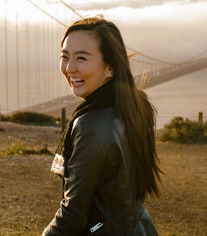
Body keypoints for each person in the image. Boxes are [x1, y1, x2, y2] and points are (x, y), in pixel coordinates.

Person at [42, 15, 161, 236]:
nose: (69, 68)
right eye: (64, 56)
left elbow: (72, 217)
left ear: (111, 68)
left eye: (82, 58)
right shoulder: (134, 106)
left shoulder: (90, 126)